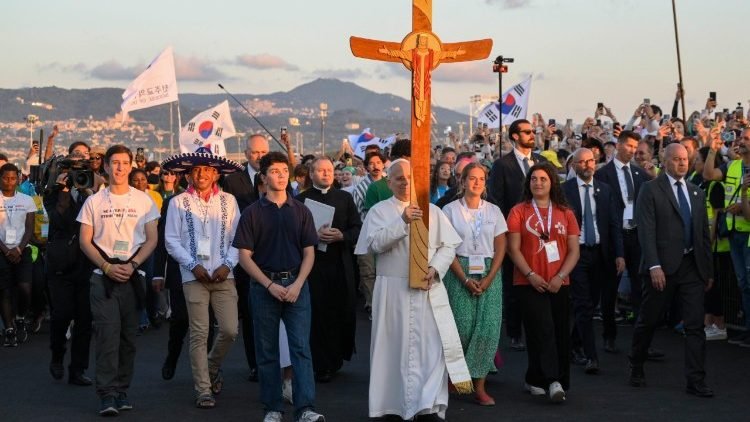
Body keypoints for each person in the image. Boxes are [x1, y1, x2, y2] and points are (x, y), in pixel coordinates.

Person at [355, 159, 469, 421]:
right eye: (399, 178)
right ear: (389, 182)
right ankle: (392, 406)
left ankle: (427, 405)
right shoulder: (379, 211)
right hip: (392, 291)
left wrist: (436, 267)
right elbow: (375, 244)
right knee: (392, 349)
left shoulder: (432, 210)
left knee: (431, 349)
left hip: (427, 289)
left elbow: (448, 246)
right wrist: (402, 221)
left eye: (410, 178)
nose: (405, 183)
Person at [232, 152, 325, 422]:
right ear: (263, 177)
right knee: (267, 351)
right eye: (274, 171)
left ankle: (305, 408)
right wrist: (269, 285)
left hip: (297, 285)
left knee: (301, 349)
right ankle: (272, 408)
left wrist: (298, 284)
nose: (282, 175)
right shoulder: (252, 213)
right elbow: (244, 257)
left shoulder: (301, 211)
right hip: (263, 287)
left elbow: (309, 252)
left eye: (285, 170)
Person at [77, 145, 159, 416]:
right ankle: (107, 394)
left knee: (128, 338)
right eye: (115, 162)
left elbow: (152, 239)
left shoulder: (143, 200)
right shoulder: (94, 201)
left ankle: (122, 389)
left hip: (133, 275)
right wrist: (106, 266)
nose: (120, 167)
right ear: (106, 166)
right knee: (107, 336)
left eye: (125, 162)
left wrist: (133, 265)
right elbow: (85, 241)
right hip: (103, 277)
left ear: (131, 166)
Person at [628, 144, 714, 398]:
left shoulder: (696, 192)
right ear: (664, 161)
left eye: (685, 159)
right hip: (662, 267)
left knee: (695, 325)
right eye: (676, 159)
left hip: (692, 267)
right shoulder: (650, 189)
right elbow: (646, 230)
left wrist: (707, 271)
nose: (682, 163)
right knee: (649, 319)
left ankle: (696, 380)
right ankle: (636, 363)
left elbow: (703, 234)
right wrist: (654, 265)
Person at [163, 151, 243, 408]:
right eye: (197, 169)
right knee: (199, 333)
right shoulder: (178, 202)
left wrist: (227, 265)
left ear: (216, 174)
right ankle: (203, 389)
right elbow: (171, 240)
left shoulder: (229, 200)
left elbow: (239, 238)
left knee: (230, 330)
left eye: (207, 169)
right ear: (189, 174)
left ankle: (210, 366)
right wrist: (192, 265)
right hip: (193, 276)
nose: (202, 174)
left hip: (224, 275)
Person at [506, 162, 580, 403]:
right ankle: (553, 381)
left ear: (552, 183)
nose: (538, 183)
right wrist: (530, 275)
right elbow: (513, 249)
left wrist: (560, 277)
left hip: (559, 282)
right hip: (528, 282)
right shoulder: (518, 211)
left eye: (543, 179)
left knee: (559, 331)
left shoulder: (566, 213)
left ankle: (535, 378)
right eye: (534, 179)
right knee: (543, 328)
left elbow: (574, 251)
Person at [441, 162, 507, 406]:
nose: (477, 183)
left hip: (489, 272)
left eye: (481, 179)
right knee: (461, 328)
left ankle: (479, 386)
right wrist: (465, 278)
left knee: (487, 330)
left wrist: (489, 277)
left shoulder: (494, 211)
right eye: (472, 178)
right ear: (462, 181)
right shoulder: (449, 210)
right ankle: (456, 377)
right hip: (459, 270)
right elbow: (446, 247)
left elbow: (501, 246)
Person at [296, 157, 361, 383]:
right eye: (321, 170)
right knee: (318, 313)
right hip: (313, 267)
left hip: (341, 265)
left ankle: (336, 358)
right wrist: (313, 237)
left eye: (329, 170)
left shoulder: (345, 198)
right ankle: (321, 363)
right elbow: (294, 233)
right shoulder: (301, 200)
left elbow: (357, 228)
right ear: (311, 174)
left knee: (340, 311)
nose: (326, 174)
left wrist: (342, 235)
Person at [488, 119, 548, 351]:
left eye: (533, 131)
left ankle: (538, 328)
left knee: (540, 277)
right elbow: (497, 200)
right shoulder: (502, 165)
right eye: (527, 132)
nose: (532, 135)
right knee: (514, 284)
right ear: (515, 136)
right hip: (513, 233)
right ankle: (514, 332)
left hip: (541, 233)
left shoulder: (541, 162)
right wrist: (507, 231)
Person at [563, 149, 624, 375]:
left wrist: (619, 254)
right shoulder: (565, 191)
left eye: (591, 161)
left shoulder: (605, 190)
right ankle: (591, 356)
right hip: (576, 254)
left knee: (591, 303)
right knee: (582, 303)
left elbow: (614, 224)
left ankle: (572, 345)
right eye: (582, 162)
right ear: (574, 166)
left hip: (600, 253)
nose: (588, 165)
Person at [594, 130, 654, 353]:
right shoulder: (603, 174)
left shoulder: (640, 174)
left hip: (636, 235)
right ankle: (609, 335)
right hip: (614, 237)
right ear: (618, 145)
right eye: (629, 146)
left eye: (635, 147)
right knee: (610, 288)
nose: (633, 151)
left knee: (641, 287)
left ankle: (641, 342)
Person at [222, 133, 270, 382]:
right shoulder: (232, 180)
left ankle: (275, 362)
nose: (259, 156)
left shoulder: (276, 175)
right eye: (255, 152)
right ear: (246, 153)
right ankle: (255, 364)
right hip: (243, 255)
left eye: (263, 152)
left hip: (271, 253)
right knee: (250, 314)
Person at [45, 154, 96, 384]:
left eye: (80, 169)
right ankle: (57, 355)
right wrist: (63, 191)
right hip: (60, 266)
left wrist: (89, 193)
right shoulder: (52, 193)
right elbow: (58, 220)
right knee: (62, 315)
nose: (76, 175)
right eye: (71, 170)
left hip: (86, 264)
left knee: (84, 320)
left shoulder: (91, 194)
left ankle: (78, 369)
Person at [702, 127, 750, 346]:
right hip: (733, 234)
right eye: (741, 137)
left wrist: (743, 204)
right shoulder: (733, 165)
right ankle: (747, 329)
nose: (741, 141)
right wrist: (712, 148)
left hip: (747, 234)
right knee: (743, 284)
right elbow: (708, 175)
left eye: (746, 138)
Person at [0, 164, 36, 347]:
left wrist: (19, 249)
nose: (9, 182)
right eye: (6, 178)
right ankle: (9, 329)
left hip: (23, 249)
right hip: (1, 250)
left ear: (18, 179)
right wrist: (6, 250)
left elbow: (30, 228)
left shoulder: (27, 200)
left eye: (13, 178)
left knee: (25, 287)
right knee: (4, 290)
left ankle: (20, 317)